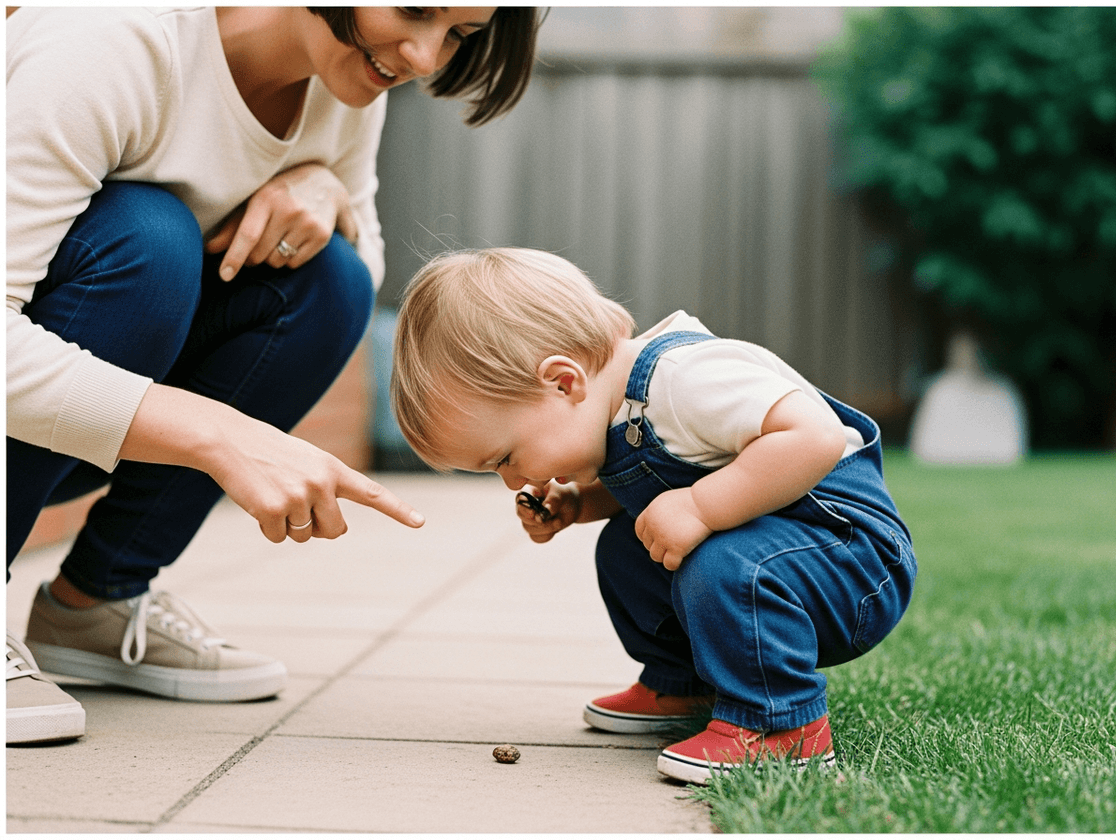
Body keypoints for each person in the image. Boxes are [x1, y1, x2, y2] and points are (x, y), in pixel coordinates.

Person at [6, 7, 542, 745]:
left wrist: (326, 194)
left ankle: (93, 605)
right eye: (415, 9)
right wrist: (214, 433)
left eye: (461, 33)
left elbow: (353, 284)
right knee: (149, 241)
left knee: (329, 280)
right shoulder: (112, 39)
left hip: (62, 433)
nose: (424, 56)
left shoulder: (348, 76)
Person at [389, 247, 917, 784]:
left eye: (504, 457)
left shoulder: (685, 379)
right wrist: (578, 503)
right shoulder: (614, 407)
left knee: (721, 562)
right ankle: (684, 684)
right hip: (786, 552)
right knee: (625, 546)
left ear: (563, 382)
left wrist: (701, 505)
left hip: (850, 557)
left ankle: (782, 726)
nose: (512, 480)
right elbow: (658, 477)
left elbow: (815, 436)